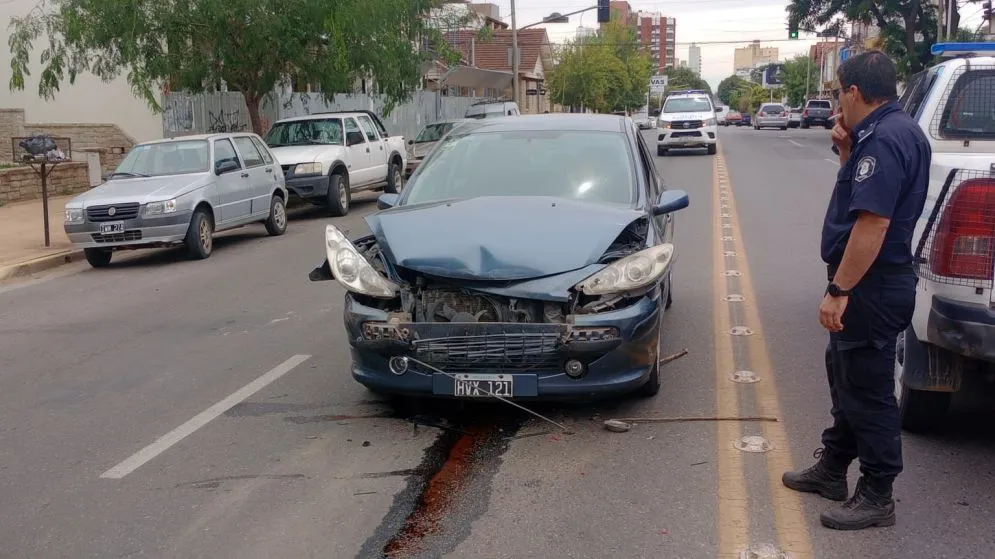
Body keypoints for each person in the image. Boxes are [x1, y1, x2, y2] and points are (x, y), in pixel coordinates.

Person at [781, 51, 931, 530]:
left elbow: (873, 223)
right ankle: (833, 468)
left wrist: (840, 288)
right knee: (847, 377)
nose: (835, 104)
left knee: (867, 390)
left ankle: (877, 492)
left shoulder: (886, 139)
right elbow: (859, 201)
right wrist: (846, 153)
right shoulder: (883, 133)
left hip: (872, 286)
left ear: (853, 92)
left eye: (837, 93)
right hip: (872, 285)